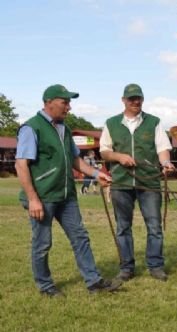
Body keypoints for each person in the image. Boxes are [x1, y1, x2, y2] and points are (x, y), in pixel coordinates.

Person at [15, 84, 122, 297]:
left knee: (80, 237)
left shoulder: (64, 128)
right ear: (48, 103)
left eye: (69, 102)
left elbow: (75, 160)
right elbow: (21, 164)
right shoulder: (31, 128)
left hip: (66, 197)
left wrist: (95, 174)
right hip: (43, 198)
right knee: (43, 243)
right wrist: (33, 199)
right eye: (65, 102)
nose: (69, 107)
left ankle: (94, 282)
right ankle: (45, 286)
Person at [100, 83, 174, 282]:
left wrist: (166, 162)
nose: (135, 101)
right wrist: (118, 156)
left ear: (142, 99)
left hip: (148, 182)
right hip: (121, 182)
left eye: (138, 98)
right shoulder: (111, 123)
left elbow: (162, 148)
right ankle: (126, 268)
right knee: (123, 227)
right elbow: (104, 151)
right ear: (123, 100)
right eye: (131, 98)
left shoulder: (154, 122)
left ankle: (156, 266)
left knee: (155, 226)